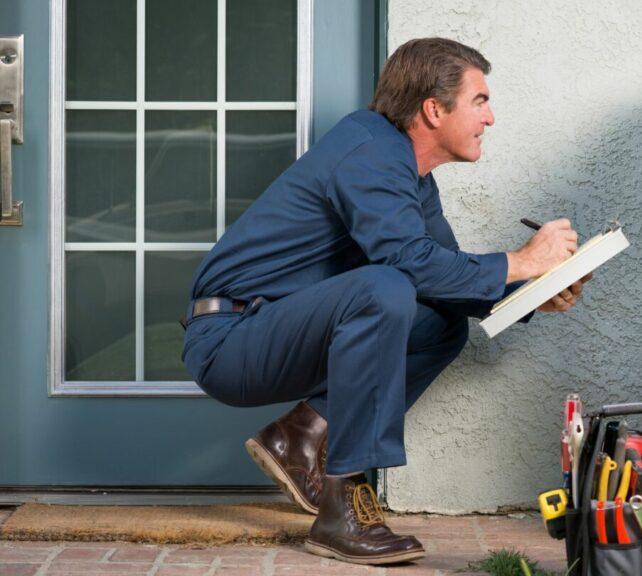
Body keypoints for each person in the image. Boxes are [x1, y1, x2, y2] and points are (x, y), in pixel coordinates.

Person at [181, 37, 590, 566]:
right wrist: (524, 259)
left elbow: (446, 279)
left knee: (442, 323)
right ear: (433, 109)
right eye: (480, 101)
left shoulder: (411, 176)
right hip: (230, 339)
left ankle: (299, 438)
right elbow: (409, 263)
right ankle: (341, 510)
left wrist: (535, 294)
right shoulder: (370, 148)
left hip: (272, 327)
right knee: (387, 285)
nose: (490, 118)